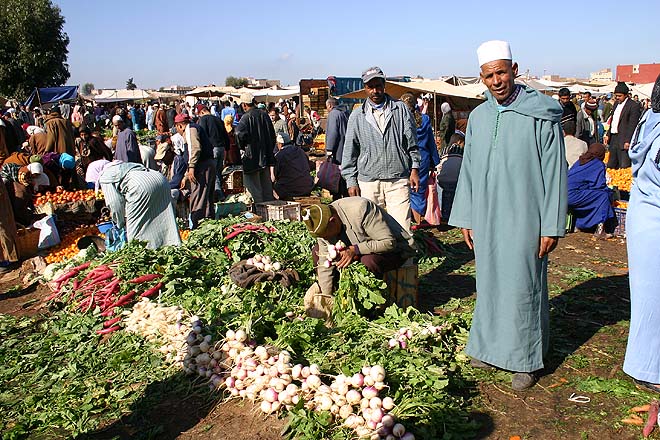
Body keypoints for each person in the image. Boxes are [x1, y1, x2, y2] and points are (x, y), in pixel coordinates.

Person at [449, 40, 567, 391]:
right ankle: (487, 347)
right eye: (489, 75)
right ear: (481, 78)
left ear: (515, 70)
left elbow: (554, 171)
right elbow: (468, 170)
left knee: (523, 284)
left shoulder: (540, 115)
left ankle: (524, 359)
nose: (496, 81)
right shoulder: (480, 117)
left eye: (501, 72)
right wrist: (467, 217)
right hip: (486, 214)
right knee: (489, 283)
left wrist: (550, 224)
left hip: (527, 214)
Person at [302, 199, 417, 318]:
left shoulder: (360, 209)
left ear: (333, 221)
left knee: (368, 262)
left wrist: (354, 250)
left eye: (326, 235)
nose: (326, 239)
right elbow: (325, 262)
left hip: (395, 249)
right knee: (317, 253)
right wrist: (326, 299)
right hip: (358, 248)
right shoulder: (322, 227)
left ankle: (368, 308)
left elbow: (388, 242)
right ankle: (340, 302)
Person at [341, 66, 421, 233]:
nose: (375, 91)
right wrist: (351, 181)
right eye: (371, 87)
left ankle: (404, 260)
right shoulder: (357, 116)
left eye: (378, 86)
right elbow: (349, 153)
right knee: (375, 231)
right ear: (365, 88)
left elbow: (412, 143)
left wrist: (414, 169)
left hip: (397, 180)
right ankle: (383, 260)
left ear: (384, 85)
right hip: (369, 182)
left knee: (402, 229)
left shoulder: (400, 110)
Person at [623, 74, 660, 395]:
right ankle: (646, 366)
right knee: (652, 299)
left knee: (650, 297)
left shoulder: (650, 121)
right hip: (653, 221)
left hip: (644, 213)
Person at [98, 161, 181, 249]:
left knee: (136, 232)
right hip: (161, 180)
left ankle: (143, 253)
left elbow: (114, 203)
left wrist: (120, 223)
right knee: (164, 219)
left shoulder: (105, 177)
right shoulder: (126, 167)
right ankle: (172, 248)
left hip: (141, 186)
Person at [400, 93, 440, 224]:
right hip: (422, 160)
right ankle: (417, 223)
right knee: (417, 192)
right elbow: (431, 143)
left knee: (403, 191)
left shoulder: (400, 120)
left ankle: (407, 223)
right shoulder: (425, 120)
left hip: (404, 160)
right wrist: (435, 161)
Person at [174, 114, 216, 229]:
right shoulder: (194, 128)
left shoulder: (190, 129)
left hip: (202, 166)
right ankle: (209, 224)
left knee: (199, 196)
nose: (178, 131)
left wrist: (191, 168)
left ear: (180, 126)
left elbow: (195, 149)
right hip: (207, 164)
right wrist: (185, 175)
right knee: (206, 197)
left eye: (177, 128)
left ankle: (198, 226)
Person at [567, 143, 615, 237]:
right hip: (572, 195)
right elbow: (599, 185)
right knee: (603, 196)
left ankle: (579, 225)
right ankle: (600, 230)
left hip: (563, 192)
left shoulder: (581, 160)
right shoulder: (598, 164)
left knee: (593, 197)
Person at [235, 93, 276, 203]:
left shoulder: (246, 117)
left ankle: (259, 214)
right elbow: (272, 136)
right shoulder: (264, 115)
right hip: (265, 157)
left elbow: (238, 133)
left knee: (255, 191)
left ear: (244, 105)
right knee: (267, 189)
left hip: (252, 159)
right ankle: (270, 215)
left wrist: (243, 147)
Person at [604, 82, 642, 169]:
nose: (617, 98)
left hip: (624, 139)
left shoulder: (633, 106)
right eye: (616, 95)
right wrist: (608, 134)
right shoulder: (616, 104)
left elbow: (632, 125)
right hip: (613, 138)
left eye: (619, 96)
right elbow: (613, 121)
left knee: (624, 165)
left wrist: (628, 140)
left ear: (626, 95)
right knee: (611, 164)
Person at [198, 105, 229, 201]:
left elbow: (202, 136)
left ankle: (218, 195)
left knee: (213, 174)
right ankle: (218, 194)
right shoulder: (218, 119)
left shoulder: (204, 120)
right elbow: (225, 135)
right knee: (218, 172)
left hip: (212, 149)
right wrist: (226, 150)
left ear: (202, 112)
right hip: (221, 149)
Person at [273, 132, 313, 200]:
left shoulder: (279, 156)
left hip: (289, 190)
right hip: (307, 187)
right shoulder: (300, 151)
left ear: (280, 144)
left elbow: (274, 175)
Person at [324, 97, 349, 198]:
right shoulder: (345, 113)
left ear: (330, 105)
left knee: (336, 178)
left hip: (338, 152)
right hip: (346, 150)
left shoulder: (333, 114)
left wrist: (329, 150)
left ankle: (337, 200)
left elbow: (332, 133)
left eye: (327, 107)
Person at [437, 133, 465, 220]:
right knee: (453, 197)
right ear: (459, 141)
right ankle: (451, 216)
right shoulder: (462, 151)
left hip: (442, 179)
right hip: (455, 179)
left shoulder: (444, 150)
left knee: (442, 195)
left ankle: (441, 213)